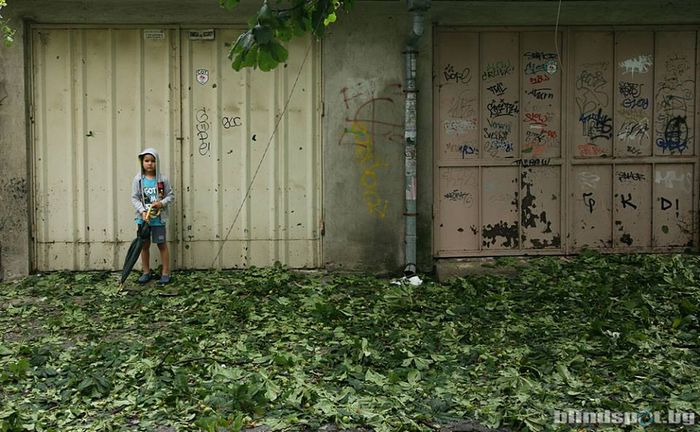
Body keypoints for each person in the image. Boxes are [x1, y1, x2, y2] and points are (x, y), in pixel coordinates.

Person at [131, 148, 175, 284]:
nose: (150, 163)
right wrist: (142, 211)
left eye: (153, 161)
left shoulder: (163, 179)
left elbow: (170, 196)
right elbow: (134, 198)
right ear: (142, 162)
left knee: (162, 244)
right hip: (143, 220)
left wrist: (161, 203)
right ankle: (146, 272)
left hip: (158, 220)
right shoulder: (138, 180)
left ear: (157, 163)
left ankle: (165, 273)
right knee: (144, 246)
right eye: (147, 161)